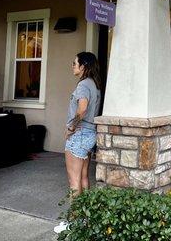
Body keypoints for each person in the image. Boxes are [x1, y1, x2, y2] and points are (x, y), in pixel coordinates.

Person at [55, 52, 101, 234]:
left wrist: (71, 128)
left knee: (73, 181)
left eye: (74, 63)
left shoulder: (83, 85)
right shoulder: (95, 85)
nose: (72, 66)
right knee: (83, 178)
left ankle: (73, 222)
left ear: (83, 66)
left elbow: (82, 109)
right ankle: (86, 218)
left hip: (80, 134)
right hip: (90, 134)